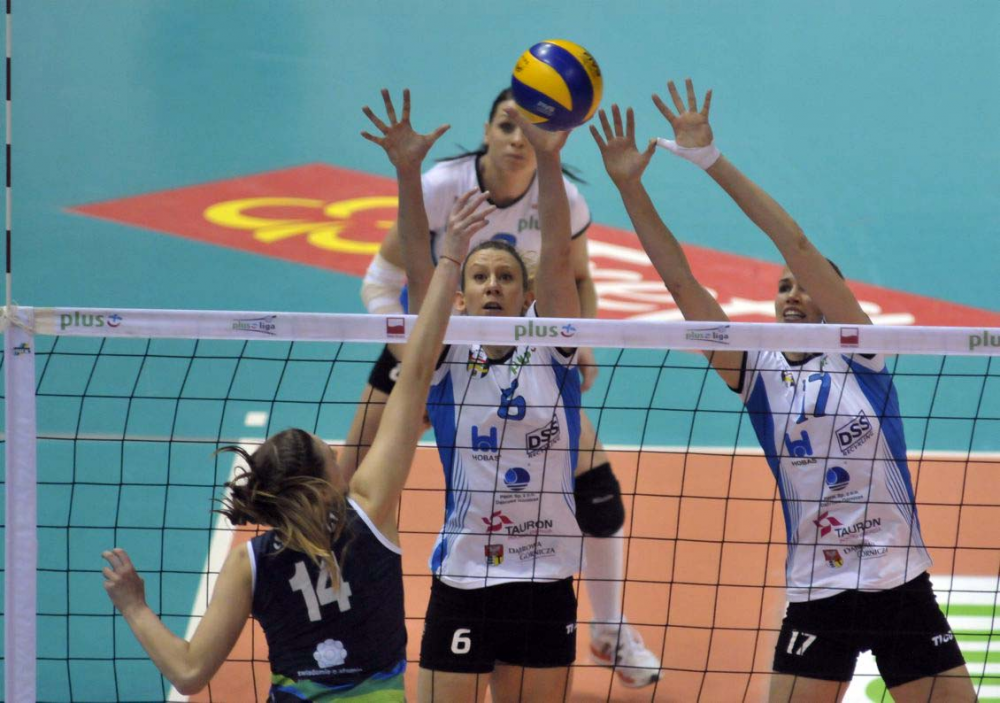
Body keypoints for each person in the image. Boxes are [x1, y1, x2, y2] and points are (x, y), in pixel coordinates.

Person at [589, 80, 975, 702]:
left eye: (807, 286)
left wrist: (710, 160)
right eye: (783, 287)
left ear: (832, 301)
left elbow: (793, 240)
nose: (794, 294)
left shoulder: (861, 352)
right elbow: (681, 283)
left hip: (898, 583)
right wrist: (631, 188)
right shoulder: (756, 370)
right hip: (818, 591)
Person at [100, 91, 490, 701]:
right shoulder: (368, 512)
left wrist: (133, 605)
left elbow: (189, 672)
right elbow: (416, 371)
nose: (340, 456)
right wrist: (450, 261)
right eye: (331, 453)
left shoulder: (252, 563)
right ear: (326, 477)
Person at [349, 87, 661, 688]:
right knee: (352, 481)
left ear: (528, 295)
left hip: (542, 579)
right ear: (461, 296)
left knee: (596, 482)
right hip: (465, 573)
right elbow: (416, 271)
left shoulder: (551, 344)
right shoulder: (444, 348)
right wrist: (407, 174)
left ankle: (611, 626)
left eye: (506, 277)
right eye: (480, 276)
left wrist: (550, 157)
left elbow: (564, 267)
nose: (493, 284)